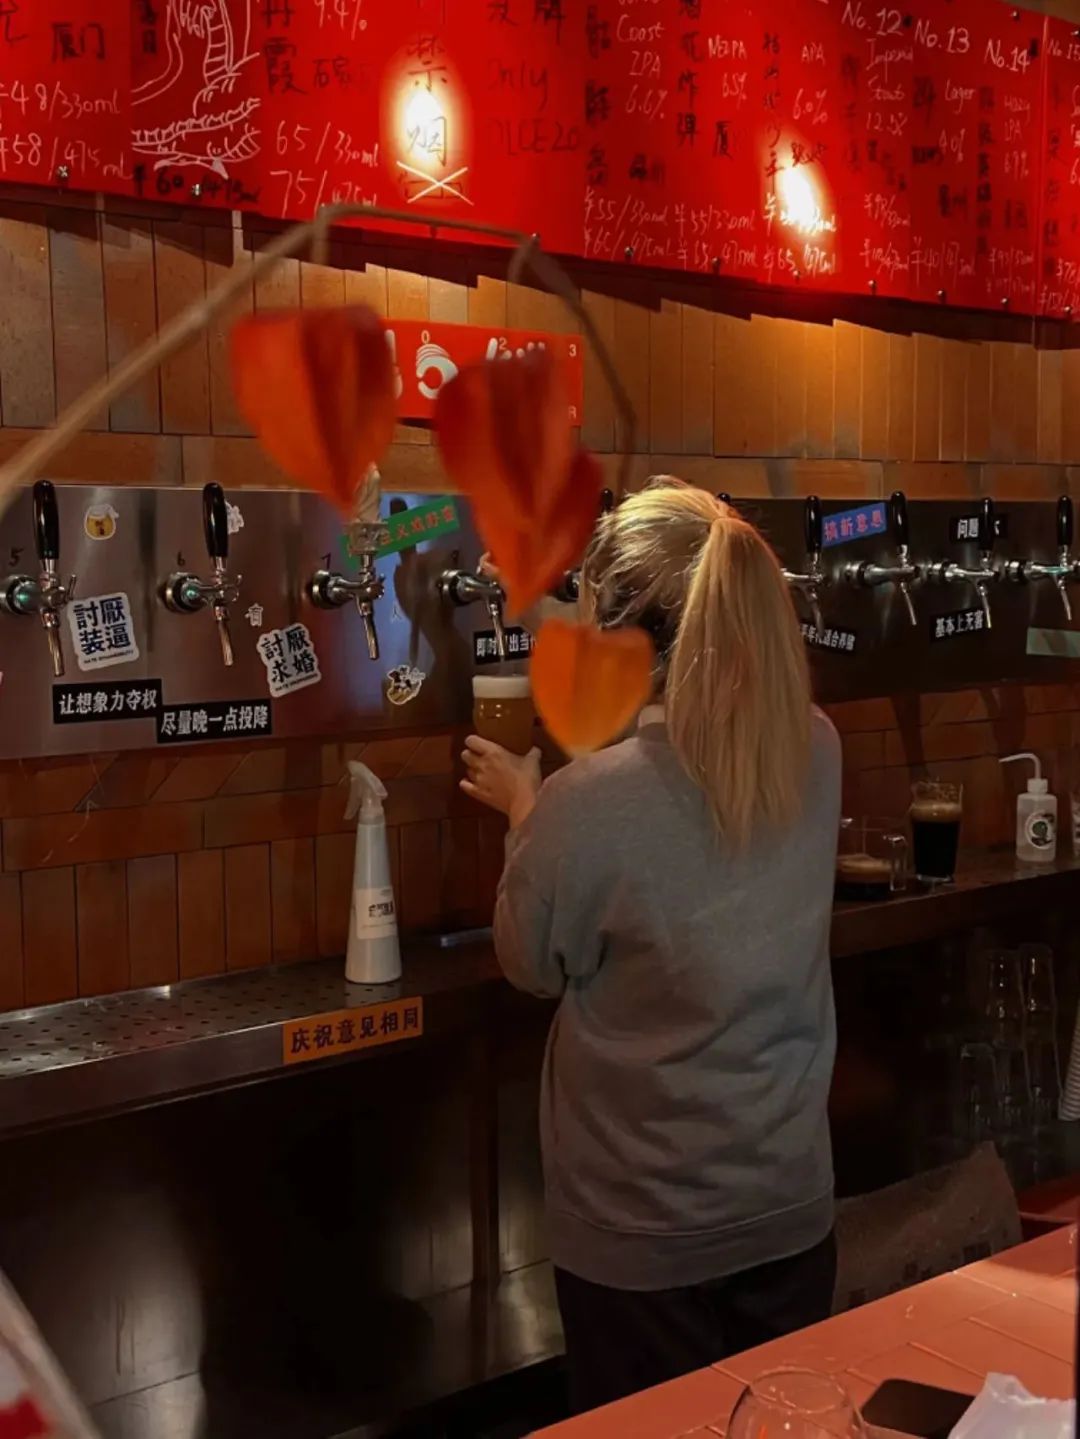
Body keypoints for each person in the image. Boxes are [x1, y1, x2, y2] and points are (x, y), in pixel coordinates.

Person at [461, 479, 841, 1415]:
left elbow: (529, 960)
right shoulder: (816, 749)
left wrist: (525, 810)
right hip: (789, 1209)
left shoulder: (585, 804)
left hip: (642, 1238)